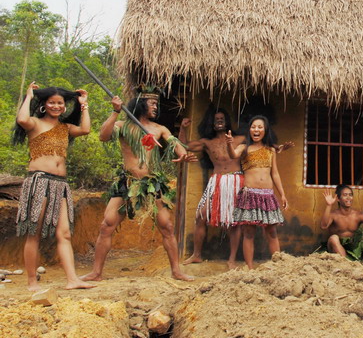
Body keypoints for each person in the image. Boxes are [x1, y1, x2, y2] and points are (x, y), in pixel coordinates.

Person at [81, 87, 196, 282]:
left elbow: (175, 143)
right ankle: (96, 272)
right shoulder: (123, 125)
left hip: (152, 182)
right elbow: (103, 135)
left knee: (166, 226)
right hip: (127, 181)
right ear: (141, 104)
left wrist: (183, 155)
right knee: (106, 225)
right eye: (152, 103)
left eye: (156, 104)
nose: (155, 107)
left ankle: (176, 271)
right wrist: (115, 110)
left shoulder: (159, 129)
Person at [14, 82, 95, 291]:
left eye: (60, 103)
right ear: (44, 104)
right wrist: (29, 95)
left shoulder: (65, 128)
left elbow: (85, 129)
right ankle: (32, 281)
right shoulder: (34, 123)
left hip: (60, 185)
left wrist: (84, 105)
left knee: (65, 233)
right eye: (52, 102)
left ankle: (72, 280)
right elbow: (21, 119)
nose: (56, 106)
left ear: (64, 106)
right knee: (34, 232)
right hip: (39, 181)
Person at [179, 107, 245, 269]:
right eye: (216, 119)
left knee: (233, 222)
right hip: (216, 181)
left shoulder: (240, 139)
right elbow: (184, 145)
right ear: (212, 123)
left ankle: (231, 259)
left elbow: (260, 145)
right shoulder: (207, 142)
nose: (219, 121)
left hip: (235, 181)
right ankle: (197, 255)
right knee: (201, 215)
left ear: (227, 121)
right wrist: (183, 128)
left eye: (222, 118)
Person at [226, 115, 288, 269]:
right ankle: (250, 268)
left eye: (260, 127)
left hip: (268, 196)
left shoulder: (271, 150)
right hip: (249, 195)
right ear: (249, 129)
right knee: (249, 233)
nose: (256, 130)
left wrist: (283, 194)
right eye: (253, 127)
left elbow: (275, 174)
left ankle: (278, 266)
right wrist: (229, 144)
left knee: (272, 231)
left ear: (265, 130)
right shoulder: (244, 147)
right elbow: (233, 155)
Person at [320, 184, 363, 262]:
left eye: (350, 195)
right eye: (345, 195)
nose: (348, 198)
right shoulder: (333, 215)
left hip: (354, 248)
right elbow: (323, 226)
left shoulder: (358, 215)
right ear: (338, 198)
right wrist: (329, 205)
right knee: (333, 238)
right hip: (337, 247)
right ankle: (347, 263)